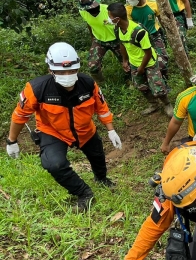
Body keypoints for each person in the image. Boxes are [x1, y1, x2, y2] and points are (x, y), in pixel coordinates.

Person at [6, 42, 121, 212]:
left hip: (85, 130)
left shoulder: (88, 84)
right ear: (50, 70)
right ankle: (84, 193)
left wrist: (111, 130)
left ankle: (101, 178)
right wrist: (11, 141)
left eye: (72, 71)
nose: (67, 75)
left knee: (97, 156)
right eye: (61, 72)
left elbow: (101, 107)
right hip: (53, 131)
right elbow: (20, 115)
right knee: (54, 164)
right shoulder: (37, 88)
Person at [107, 2, 172, 117]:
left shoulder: (138, 31)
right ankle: (153, 104)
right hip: (134, 63)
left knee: (158, 87)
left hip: (149, 62)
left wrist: (141, 68)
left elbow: (147, 52)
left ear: (117, 19)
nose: (108, 19)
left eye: (110, 17)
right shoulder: (118, 29)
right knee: (141, 86)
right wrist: (125, 61)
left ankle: (167, 104)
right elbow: (123, 44)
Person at [122, 0, 168, 78]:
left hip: (154, 35)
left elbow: (161, 19)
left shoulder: (153, 4)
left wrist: (167, 32)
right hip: (139, 38)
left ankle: (163, 75)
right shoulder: (128, 9)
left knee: (162, 61)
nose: (129, 0)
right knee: (143, 60)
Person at [78, 0, 124, 82]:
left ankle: (131, 80)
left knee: (127, 63)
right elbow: (89, 24)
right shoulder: (82, 12)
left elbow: (122, 25)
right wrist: (92, 38)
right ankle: (100, 83)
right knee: (93, 66)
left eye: (94, 7)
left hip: (116, 40)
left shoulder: (109, 11)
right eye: (89, 9)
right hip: (99, 40)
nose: (92, 11)